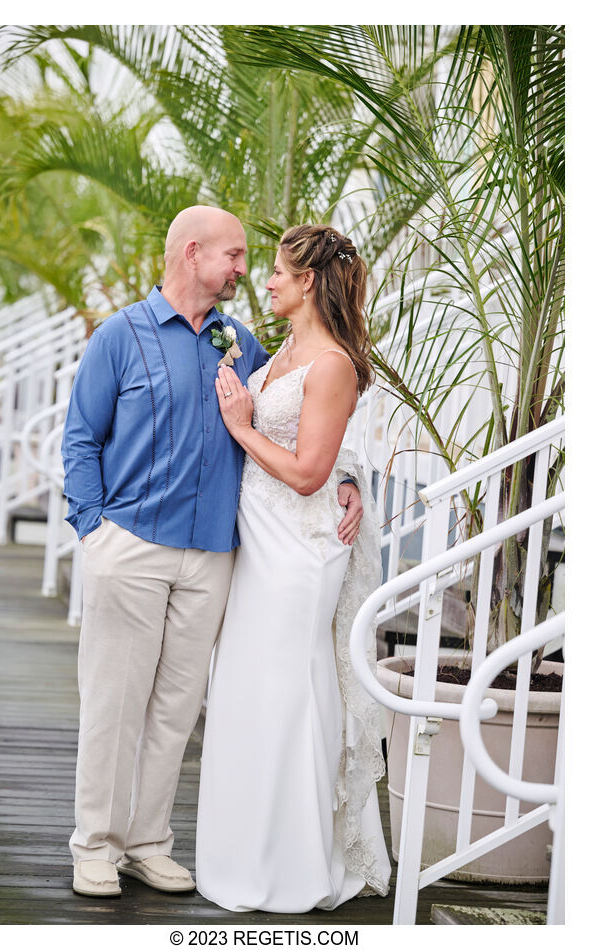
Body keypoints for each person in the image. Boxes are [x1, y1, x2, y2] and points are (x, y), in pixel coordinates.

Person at [61, 206, 365, 898]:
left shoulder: (239, 342)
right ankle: (95, 845)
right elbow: (80, 438)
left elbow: (301, 420)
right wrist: (95, 531)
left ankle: (146, 842)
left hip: (215, 558)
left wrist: (345, 481)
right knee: (113, 702)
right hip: (130, 546)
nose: (243, 270)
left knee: (175, 708)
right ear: (192, 253)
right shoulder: (120, 336)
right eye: (232, 256)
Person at [195, 224, 391, 913]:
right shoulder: (283, 349)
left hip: (299, 552)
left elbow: (309, 472)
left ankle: (296, 867)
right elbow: (328, 451)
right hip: (259, 543)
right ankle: (240, 856)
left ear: (308, 281)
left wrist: (243, 428)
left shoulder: (332, 361)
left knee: (289, 696)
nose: (267, 281)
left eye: (278, 271)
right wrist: (351, 475)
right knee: (246, 692)